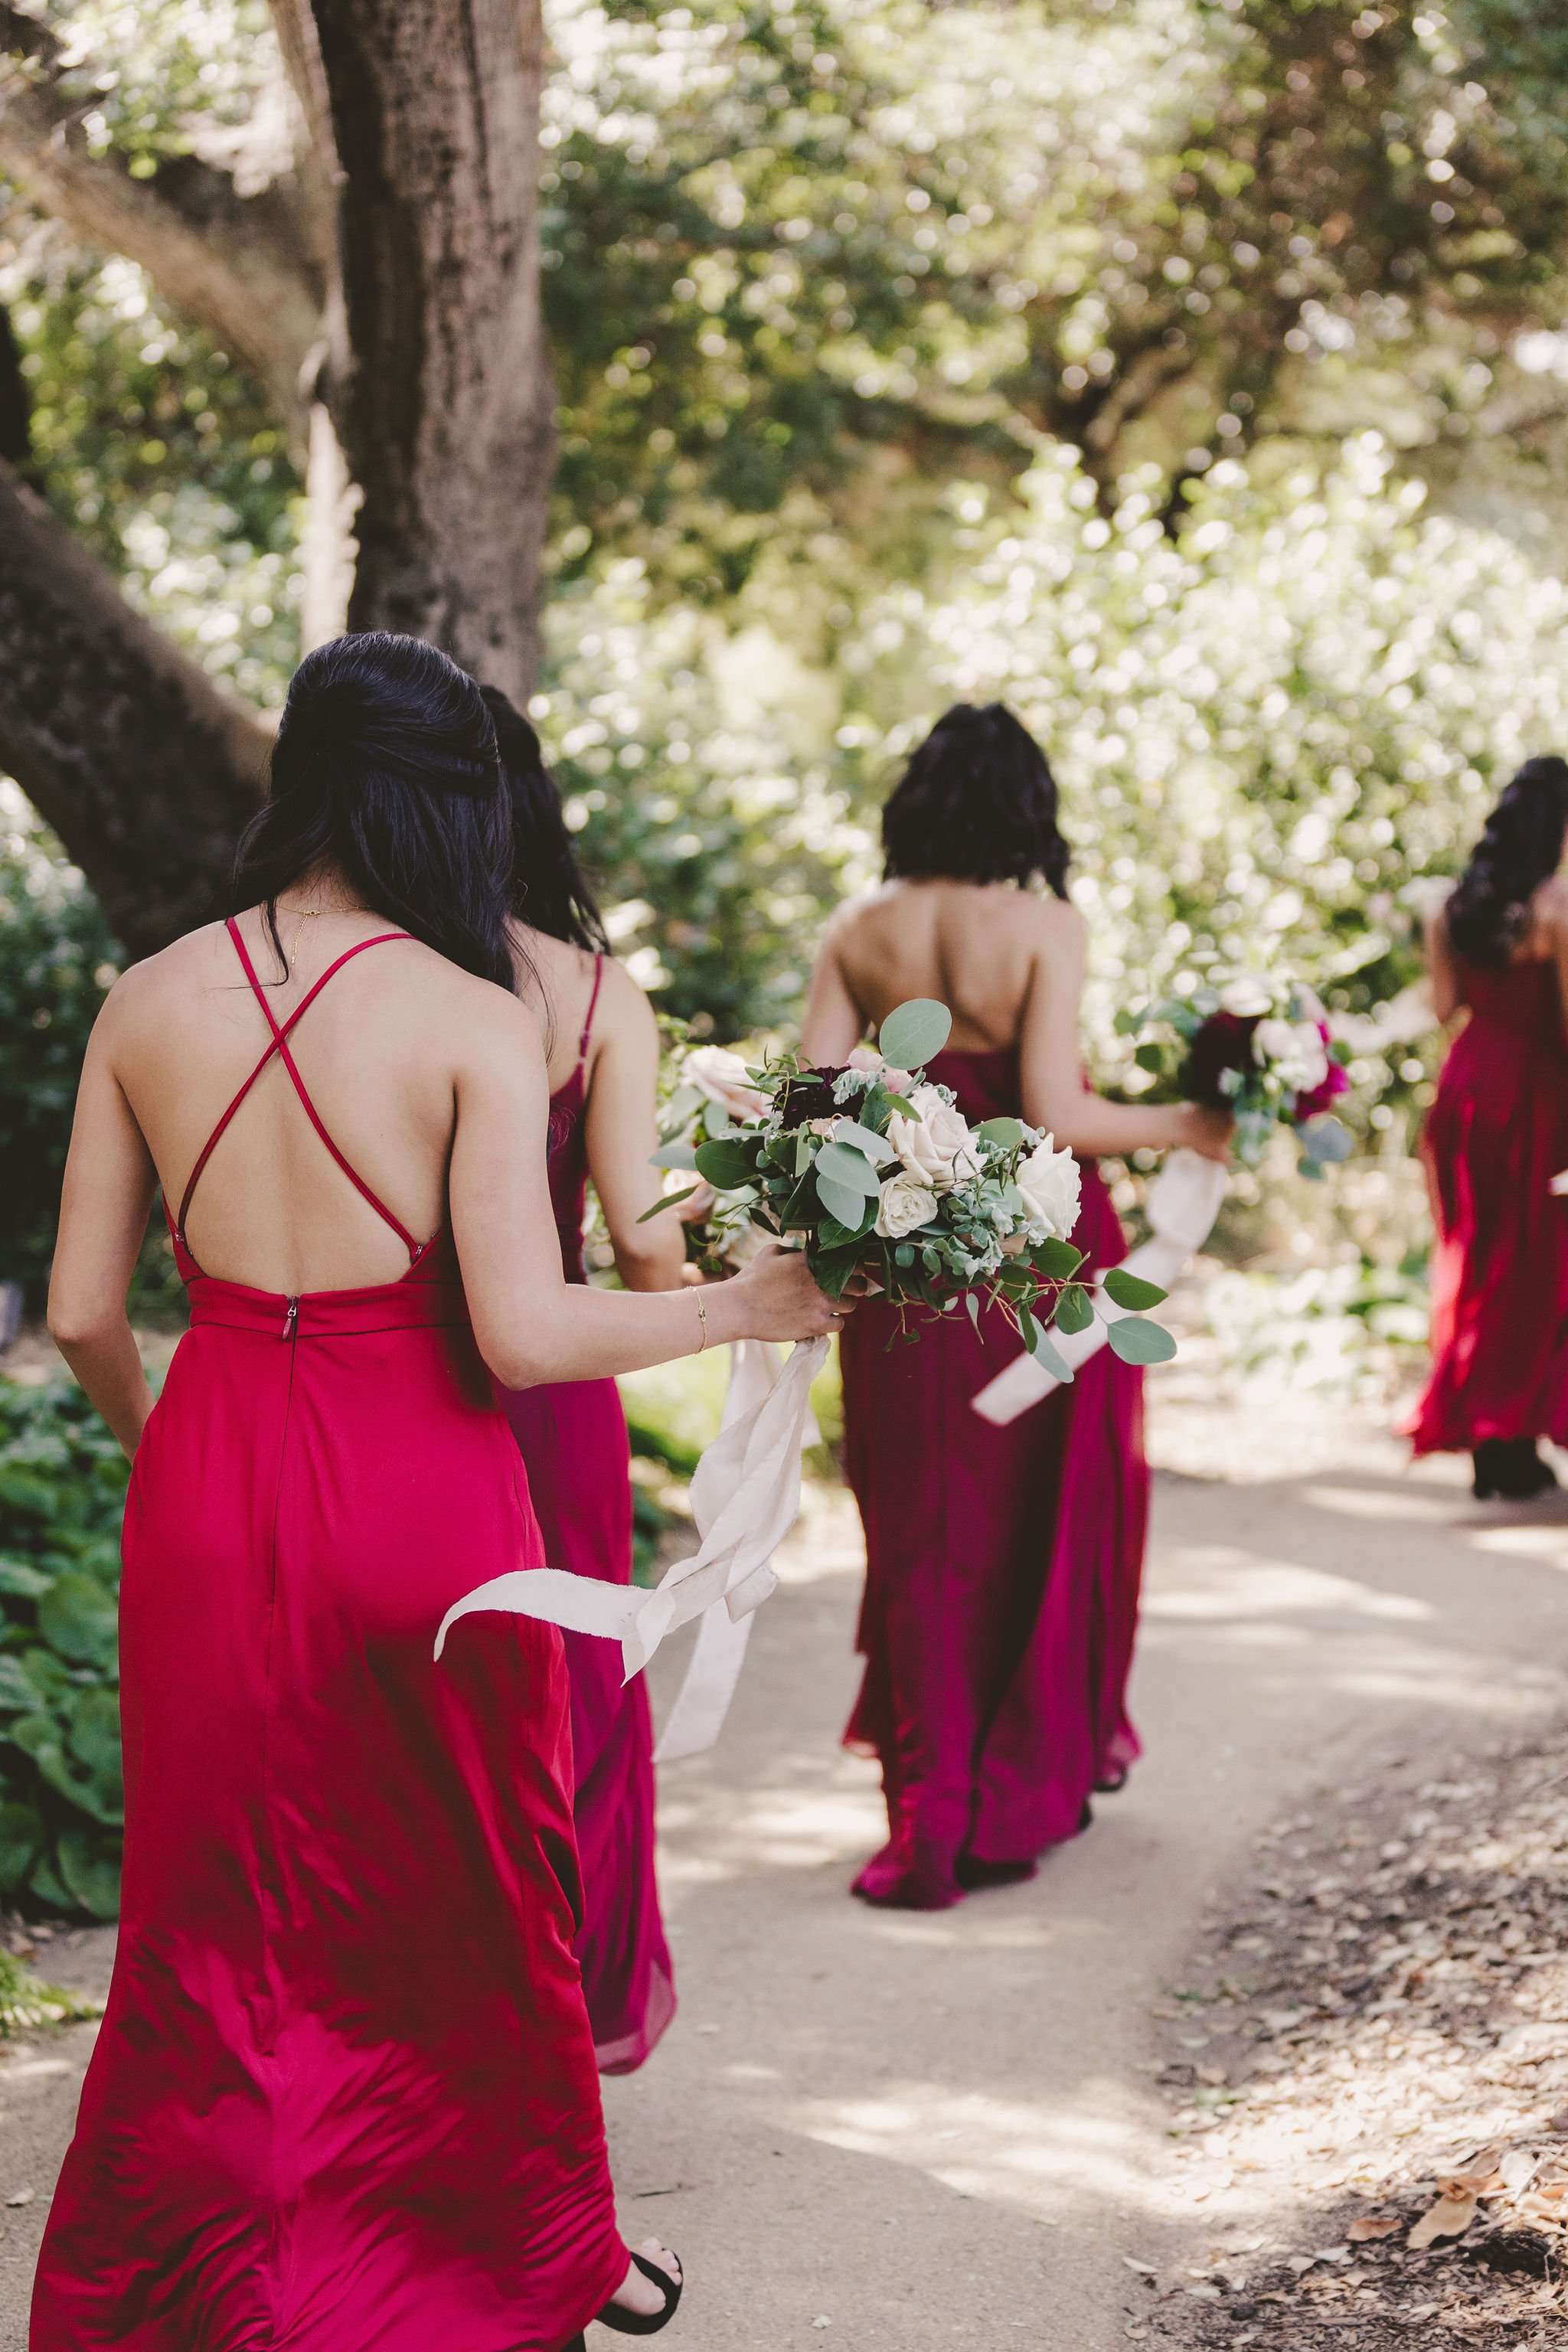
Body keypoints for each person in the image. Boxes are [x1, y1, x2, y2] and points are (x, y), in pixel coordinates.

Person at [34, 632, 846, 2350]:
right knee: (461, 1891)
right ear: (444, 799)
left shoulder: (147, 995)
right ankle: (484, 2269)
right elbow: (529, 1332)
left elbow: (84, 1313)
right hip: (422, 1495)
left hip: (211, 1472)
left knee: (213, 1904)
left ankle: (193, 2289)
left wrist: (174, 1440)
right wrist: (740, 1305)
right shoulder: (477, 1016)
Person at [801, 701, 1230, 1912]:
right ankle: (1017, 1786)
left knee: (922, 1523)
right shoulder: (1045, 924)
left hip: (900, 1261)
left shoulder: (859, 927)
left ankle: (927, 1808)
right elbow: (1059, 1107)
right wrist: (1190, 1125)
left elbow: (817, 1099)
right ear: (1026, 807)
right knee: (1045, 1513)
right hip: (1036, 1254)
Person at [484, 684, 681, 2074]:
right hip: (552, 1392)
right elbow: (644, 1248)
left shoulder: (369, 985)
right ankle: (560, 1996)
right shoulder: (593, 994)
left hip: (395, 1369)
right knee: (574, 1687)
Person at [1406, 754, 1568, 1499]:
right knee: (1535, 1266)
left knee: (1473, 1263)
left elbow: (1441, 1010)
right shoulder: (1557, 907)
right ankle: (1513, 1434)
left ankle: (1492, 1444)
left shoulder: (1447, 903)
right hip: (1535, 1094)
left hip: (1465, 1090)